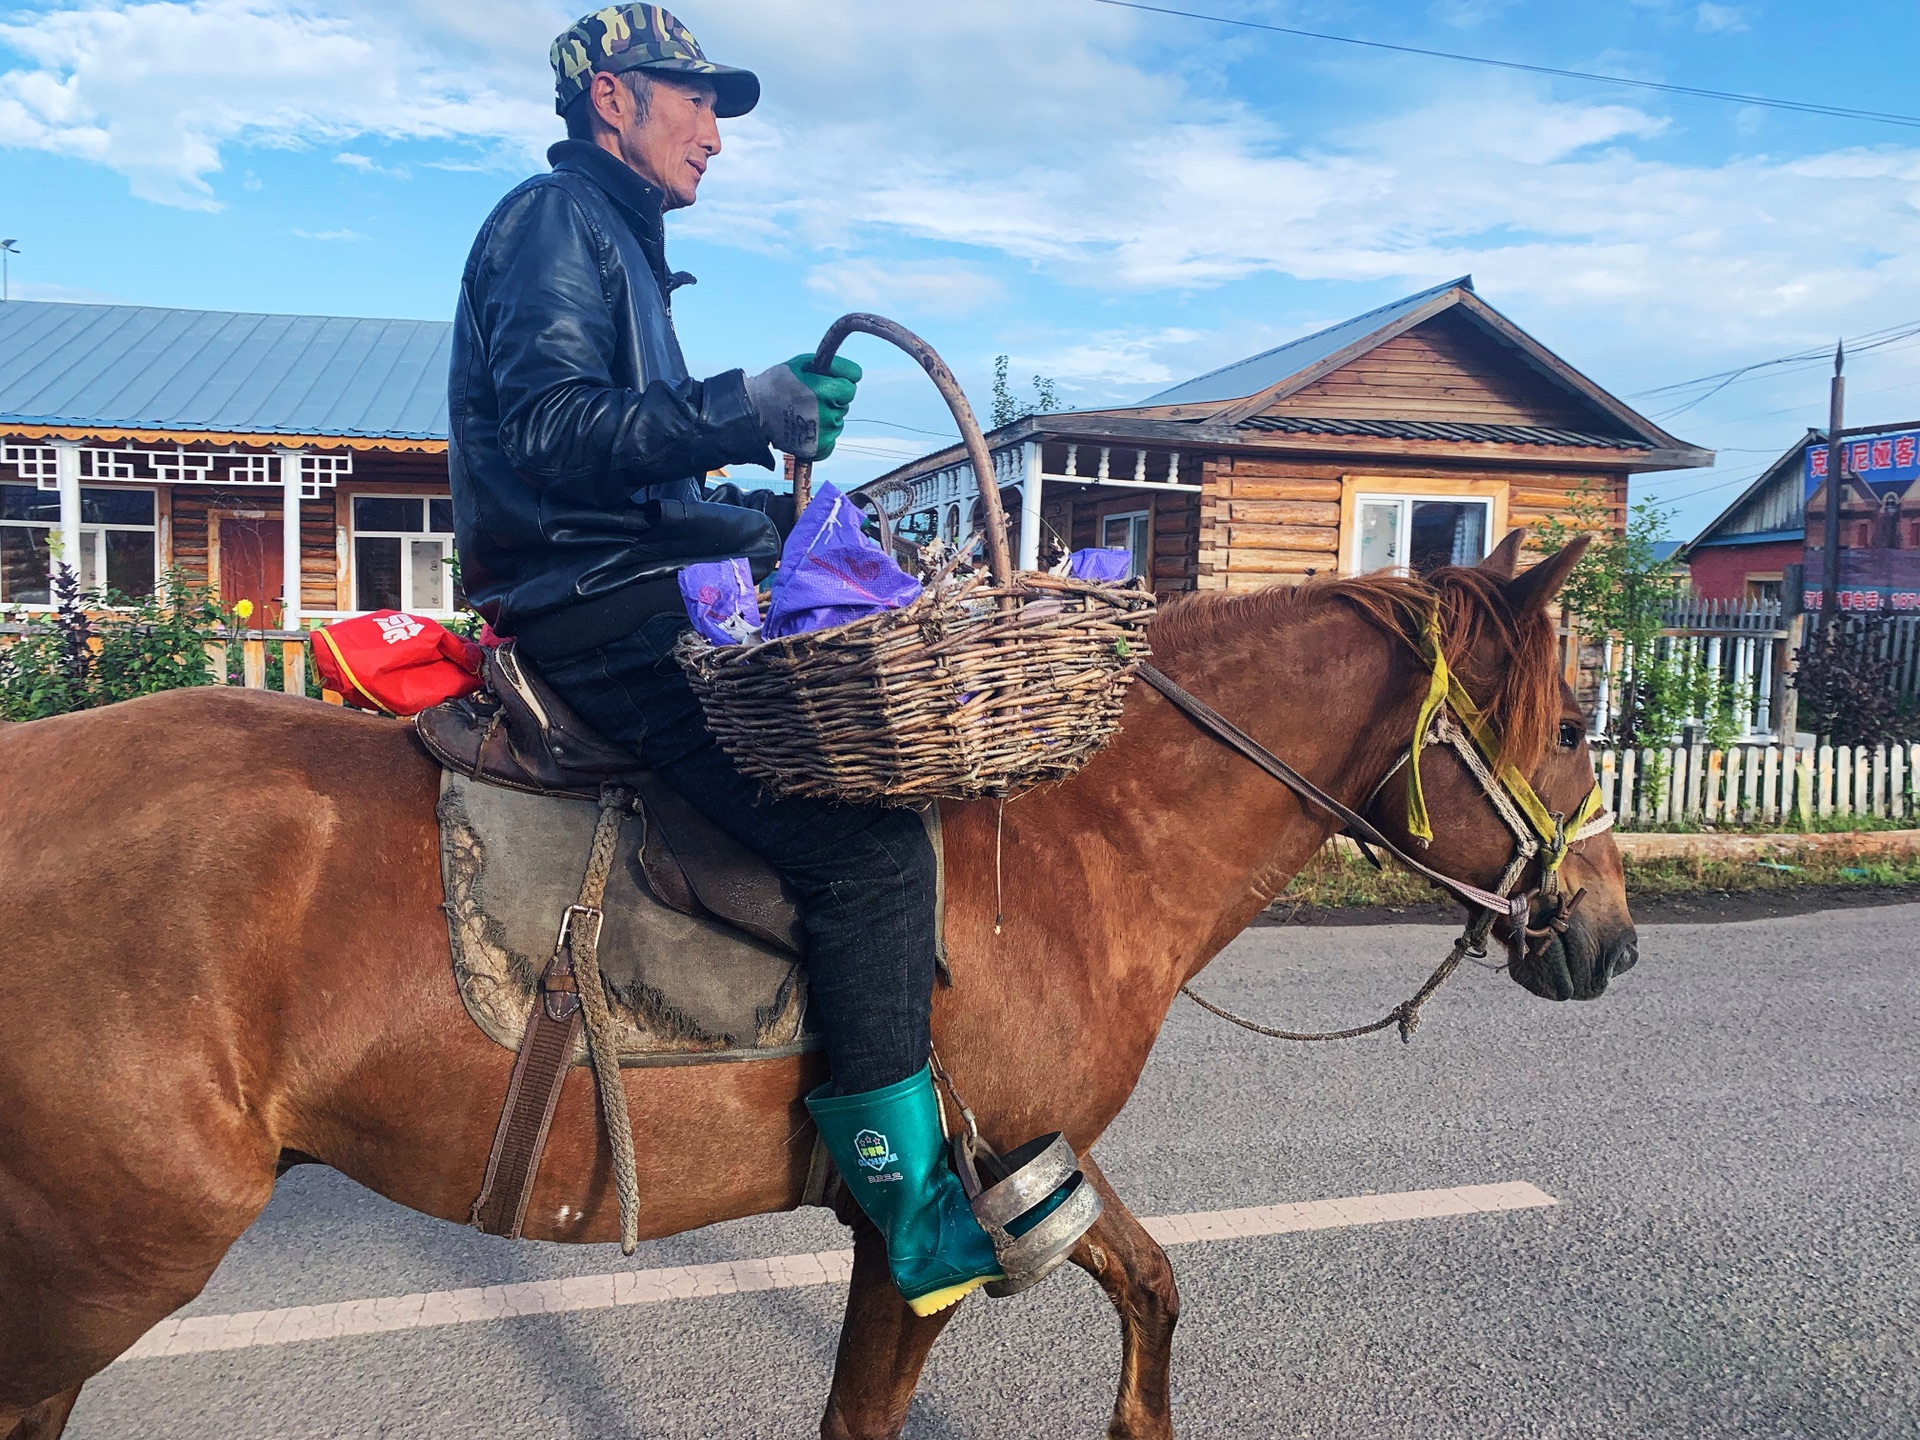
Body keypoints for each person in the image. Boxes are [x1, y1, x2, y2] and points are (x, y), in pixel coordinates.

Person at [447, 5, 1074, 1318]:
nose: (715, 135)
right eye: (696, 102)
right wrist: (746, 406)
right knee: (870, 845)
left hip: (616, 578)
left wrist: (766, 516)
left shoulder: (616, 243)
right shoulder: (552, 226)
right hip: (593, 610)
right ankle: (910, 1216)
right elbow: (557, 436)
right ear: (611, 100)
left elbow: (627, 478)